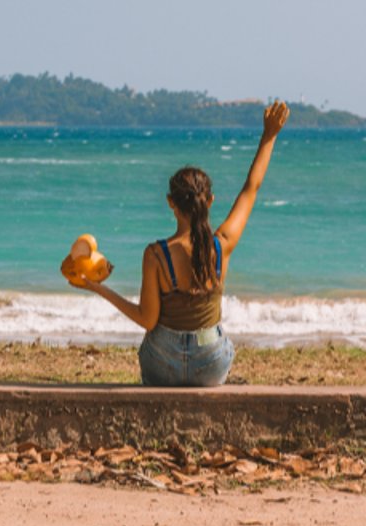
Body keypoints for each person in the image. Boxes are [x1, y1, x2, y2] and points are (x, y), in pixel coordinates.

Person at [74, 101, 288, 387]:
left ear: (171, 203)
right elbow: (252, 187)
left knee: (154, 340)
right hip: (210, 365)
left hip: (163, 365)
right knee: (220, 342)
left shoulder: (155, 255)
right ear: (210, 201)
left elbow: (147, 321)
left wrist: (97, 287)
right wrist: (269, 136)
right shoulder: (222, 245)